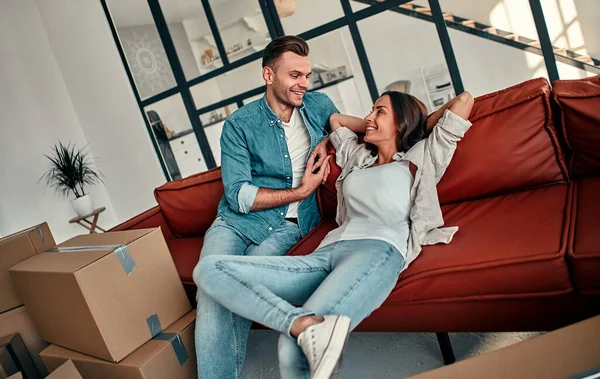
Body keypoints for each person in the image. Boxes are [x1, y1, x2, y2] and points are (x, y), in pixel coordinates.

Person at [196, 90, 474, 379]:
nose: (368, 117)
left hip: (376, 250)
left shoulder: (423, 155)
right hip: (328, 251)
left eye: (379, 112)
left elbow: (464, 100)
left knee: (294, 351)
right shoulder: (358, 156)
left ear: (402, 122)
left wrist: (418, 127)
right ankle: (299, 324)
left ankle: (302, 331)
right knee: (210, 270)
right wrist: (361, 129)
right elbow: (337, 120)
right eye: (371, 110)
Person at [192, 36, 339, 379]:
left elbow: (354, 128)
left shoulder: (317, 104)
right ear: (269, 76)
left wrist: (330, 139)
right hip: (234, 223)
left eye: (307, 74)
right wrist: (301, 190)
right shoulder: (239, 125)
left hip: (288, 225)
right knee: (211, 288)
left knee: (240, 280)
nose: (304, 83)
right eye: (295, 75)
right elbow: (239, 195)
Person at [147, 110, 182, 180]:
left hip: (167, 155)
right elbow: (167, 135)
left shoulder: (158, 127)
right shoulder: (154, 129)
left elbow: (167, 133)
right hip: (167, 155)